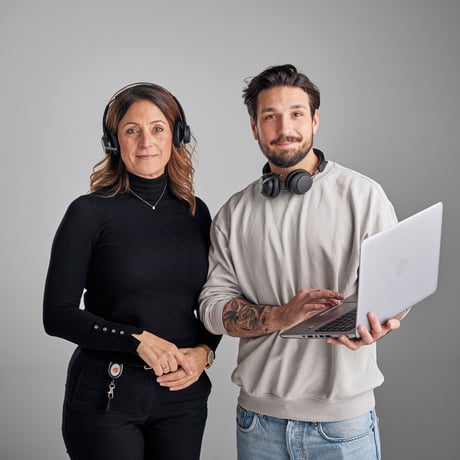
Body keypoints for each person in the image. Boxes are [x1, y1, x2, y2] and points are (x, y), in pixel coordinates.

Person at [199, 64, 406, 460]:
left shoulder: (362, 195)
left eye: (296, 113)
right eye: (270, 116)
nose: (284, 127)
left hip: (343, 426)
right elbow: (211, 307)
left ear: (314, 120)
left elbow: (397, 287)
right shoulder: (234, 213)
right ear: (254, 127)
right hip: (258, 424)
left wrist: (381, 324)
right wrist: (278, 316)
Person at [43, 82, 221, 460]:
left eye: (158, 128)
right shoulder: (88, 213)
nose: (146, 141)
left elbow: (214, 298)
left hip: (182, 399)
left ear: (177, 136)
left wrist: (205, 351)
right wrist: (135, 338)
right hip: (107, 396)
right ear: (113, 141)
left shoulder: (196, 212)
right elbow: (56, 315)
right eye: (131, 130)